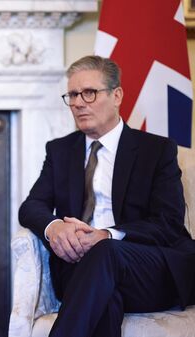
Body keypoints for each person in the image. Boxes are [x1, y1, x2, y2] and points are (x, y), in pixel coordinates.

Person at [19, 55, 195, 337]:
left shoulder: (156, 150)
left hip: (148, 270)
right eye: (73, 95)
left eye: (88, 93)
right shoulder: (60, 150)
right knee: (104, 298)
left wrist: (108, 235)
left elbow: (168, 223)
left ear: (117, 95)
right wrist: (56, 227)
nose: (77, 103)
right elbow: (31, 207)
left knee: (105, 253)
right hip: (83, 273)